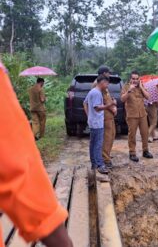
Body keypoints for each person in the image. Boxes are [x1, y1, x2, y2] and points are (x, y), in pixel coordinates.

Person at [0, 62, 72, 247]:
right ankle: (38, 136)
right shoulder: (38, 90)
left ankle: (35, 135)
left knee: (34, 123)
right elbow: (16, 168)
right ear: (41, 83)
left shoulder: (30, 89)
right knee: (41, 122)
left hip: (31, 108)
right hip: (39, 108)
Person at [83, 75, 115, 174]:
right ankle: (100, 165)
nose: (107, 86)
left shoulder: (92, 91)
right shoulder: (97, 93)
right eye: (107, 83)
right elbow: (97, 108)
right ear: (102, 82)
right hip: (97, 123)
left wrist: (89, 116)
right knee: (98, 144)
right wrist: (109, 105)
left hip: (93, 122)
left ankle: (94, 164)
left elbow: (85, 103)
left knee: (93, 144)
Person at [121, 71, 153, 162]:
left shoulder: (141, 86)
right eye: (133, 78)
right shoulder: (126, 87)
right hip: (132, 115)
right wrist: (129, 90)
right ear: (130, 79)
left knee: (145, 133)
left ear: (139, 79)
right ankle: (132, 153)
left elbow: (148, 97)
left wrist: (142, 87)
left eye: (136, 79)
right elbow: (122, 99)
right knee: (132, 135)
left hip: (142, 114)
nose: (135, 80)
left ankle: (145, 151)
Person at [97, 66, 117, 168]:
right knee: (107, 137)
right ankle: (105, 159)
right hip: (105, 114)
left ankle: (107, 155)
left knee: (112, 134)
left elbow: (108, 97)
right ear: (104, 73)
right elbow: (104, 99)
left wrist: (113, 104)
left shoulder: (105, 84)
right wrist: (112, 108)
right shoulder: (99, 84)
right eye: (108, 73)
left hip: (109, 114)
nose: (109, 74)